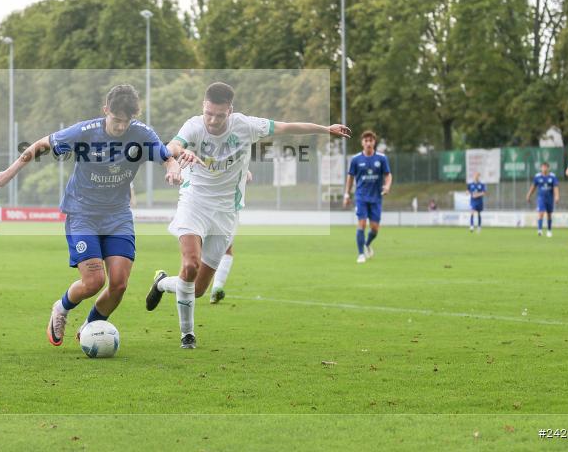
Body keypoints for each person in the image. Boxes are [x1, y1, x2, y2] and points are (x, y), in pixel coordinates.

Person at [145, 82, 350, 349]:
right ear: (203, 108)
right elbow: (172, 144)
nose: (213, 120)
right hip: (194, 202)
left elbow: (286, 127)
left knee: (197, 289)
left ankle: (162, 284)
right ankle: (187, 335)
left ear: (230, 111)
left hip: (226, 212)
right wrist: (176, 156)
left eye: (219, 115)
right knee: (190, 265)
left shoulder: (246, 126)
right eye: (209, 113)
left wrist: (325, 129)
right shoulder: (194, 125)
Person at [0, 84, 189, 346]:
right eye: (115, 120)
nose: (119, 127)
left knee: (118, 285)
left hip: (118, 216)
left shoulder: (142, 133)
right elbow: (40, 145)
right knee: (94, 281)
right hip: (82, 212)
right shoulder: (84, 132)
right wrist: (7, 174)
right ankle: (61, 308)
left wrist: (172, 169)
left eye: (125, 122)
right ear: (106, 110)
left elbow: (167, 156)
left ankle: (90, 328)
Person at [343, 131, 392, 264]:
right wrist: (347, 194)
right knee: (362, 224)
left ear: (374, 142)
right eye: (366, 141)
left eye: (371, 141)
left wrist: (387, 186)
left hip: (376, 198)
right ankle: (360, 254)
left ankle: (367, 244)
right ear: (362, 142)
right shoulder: (356, 159)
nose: (368, 143)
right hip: (361, 197)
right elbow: (350, 177)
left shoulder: (381, 158)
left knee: (375, 228)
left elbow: (388, 175)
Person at [209, 171, 251, 305]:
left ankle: (216, 288)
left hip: (225, 206)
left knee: (226, 248)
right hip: (216, 205)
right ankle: (166, 284)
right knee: (218, 249)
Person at [526, 162, 559, 237]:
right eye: (543, 167)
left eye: (546, 167)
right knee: (541, 213)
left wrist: (557, 196)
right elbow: (533, 187)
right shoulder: (537, 177)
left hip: (550, 198)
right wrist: (528, 195)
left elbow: (555, 187)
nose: (544, 169)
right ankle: (540, 230)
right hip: (541, 198)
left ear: (548, 168)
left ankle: (549, 230)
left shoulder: (552, 177)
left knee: (549, 214)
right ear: (541, 168)